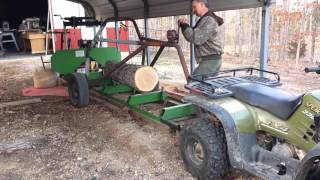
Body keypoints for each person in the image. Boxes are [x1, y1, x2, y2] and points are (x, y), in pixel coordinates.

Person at [179, 0, 224, 76]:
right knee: (205, 86)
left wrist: (184, 26)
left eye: (194, 7)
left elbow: (196, 38)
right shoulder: (204, 20)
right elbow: (193, 35)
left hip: (210, 60)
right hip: (211, 60)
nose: (193, 10)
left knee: (194, 84)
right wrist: (184, 26)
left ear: (202, 4)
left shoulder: (209, 20)